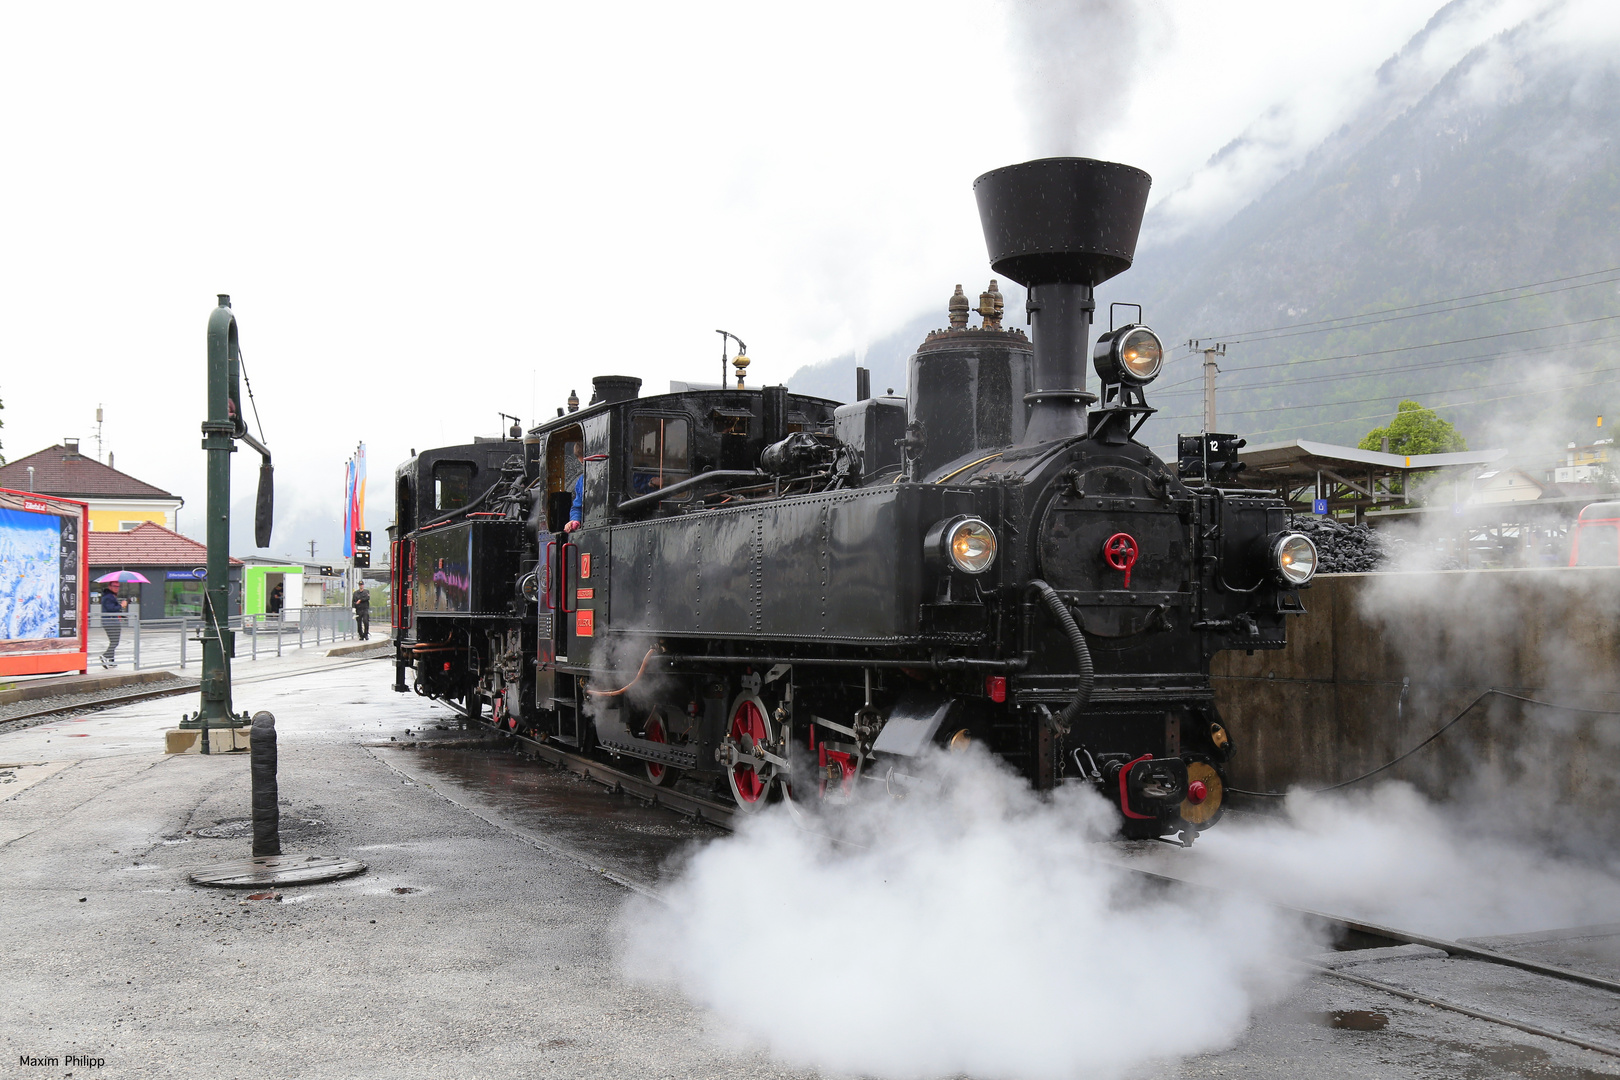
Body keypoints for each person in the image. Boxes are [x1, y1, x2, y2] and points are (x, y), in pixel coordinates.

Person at [99, 581, 128, 669]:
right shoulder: (108, 597)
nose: (117, 588)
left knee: (113, 641)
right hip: (111, 622)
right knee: (115, 642)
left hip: (111, 621)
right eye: (114, 586)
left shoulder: (110, 596)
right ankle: (105, 656)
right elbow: (111, 609)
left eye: (118, 586)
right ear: (109, 586)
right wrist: (121, 606)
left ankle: (111, 661)